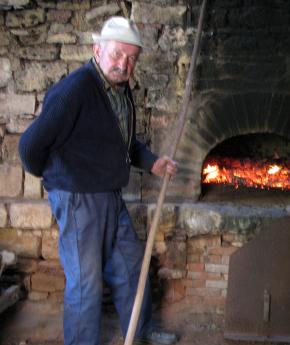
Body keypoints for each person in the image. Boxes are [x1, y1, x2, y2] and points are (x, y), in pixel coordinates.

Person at [19, 17, 178, 345]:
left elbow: (123, 143)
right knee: (86, 284)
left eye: (132, 58)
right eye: (118, 54)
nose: (125, 63)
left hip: (110, 196)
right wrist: (59, 183)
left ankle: (141, 330)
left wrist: (153, 163)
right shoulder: (74, 91)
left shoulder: (120, 91)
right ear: (97, 50)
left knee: (132, 266)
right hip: (78, 199)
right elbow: (29, 148)